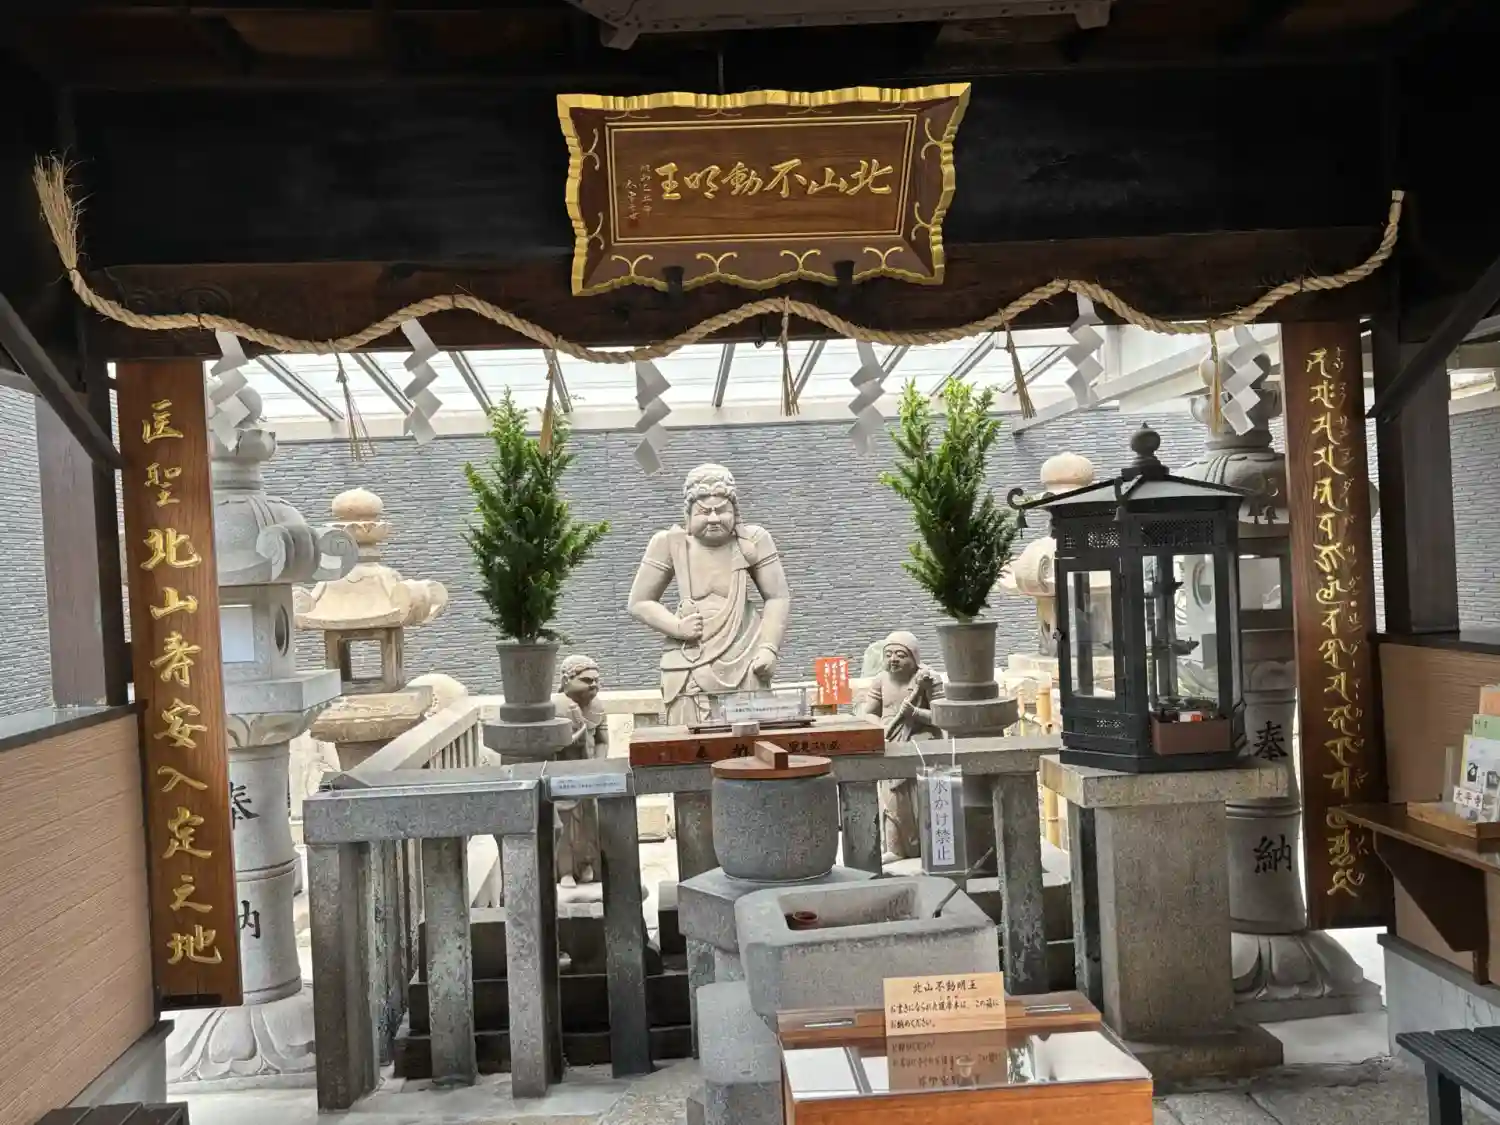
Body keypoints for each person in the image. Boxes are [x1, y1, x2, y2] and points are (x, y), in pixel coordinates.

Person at [628, 464, 791, 726]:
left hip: (744, 651)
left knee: (751, 735)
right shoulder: (668, 543)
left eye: (722, 510)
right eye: (704, 512)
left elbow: (777, 597)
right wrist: (677, 627)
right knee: (688, 735)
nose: (714, 519)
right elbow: (639, 602)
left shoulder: (753, 541)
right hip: (689, 654)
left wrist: (768, 647)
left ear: (735, 511)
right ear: (688, 513)